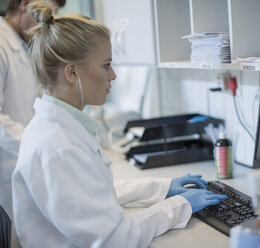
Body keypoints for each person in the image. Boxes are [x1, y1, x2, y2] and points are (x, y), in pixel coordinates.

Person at [12, 1, 227, 247]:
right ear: (72, 73)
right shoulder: (57, 147)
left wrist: (163, 187)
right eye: (106, 65)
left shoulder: (54, 127)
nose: (113, 75)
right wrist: (181, 205)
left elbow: (94, 196)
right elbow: (115, 238)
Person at [0, 0, 66, 220]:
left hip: (23, 166)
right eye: (46, 12)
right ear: (24, 4)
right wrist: (36, 146)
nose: (49, 22)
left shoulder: (24, 45)